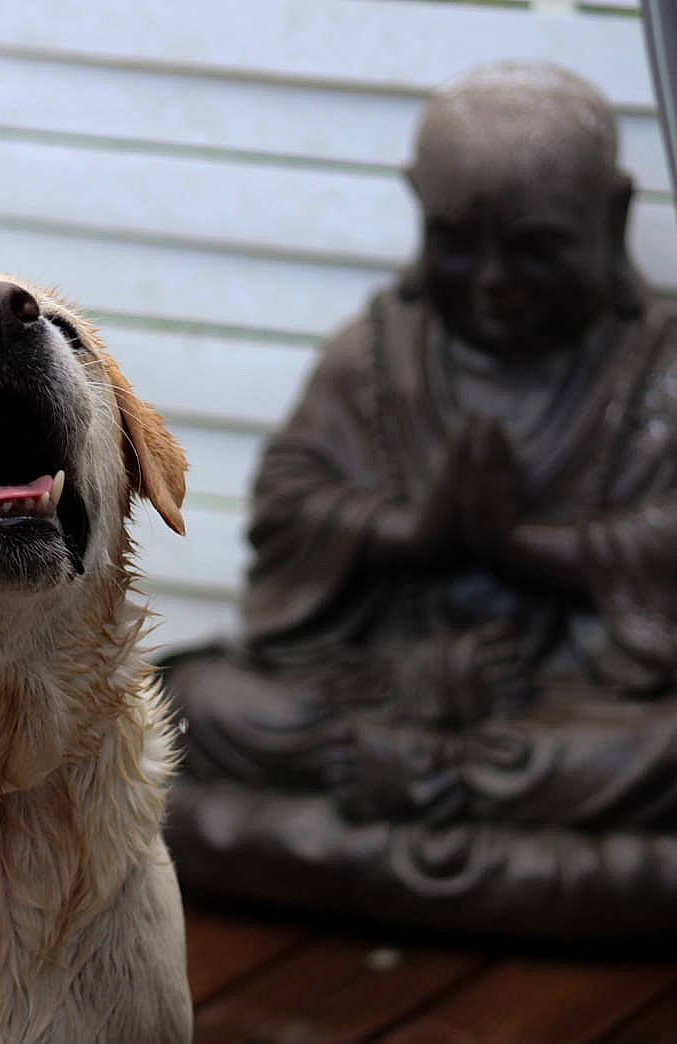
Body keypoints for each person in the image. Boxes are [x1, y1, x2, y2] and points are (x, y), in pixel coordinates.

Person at [163, 61, 677, 937]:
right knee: (189, 702)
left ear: (615, 217)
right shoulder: (376, 354)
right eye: (459, 241)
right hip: (374, 688)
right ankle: (406, 778)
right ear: (418, 215)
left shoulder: (658, 365)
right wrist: (411, 533)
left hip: (571, 702)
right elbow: (288, 505)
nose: (492, 280)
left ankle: (388, 799)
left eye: (536, 246)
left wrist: (528, 547)